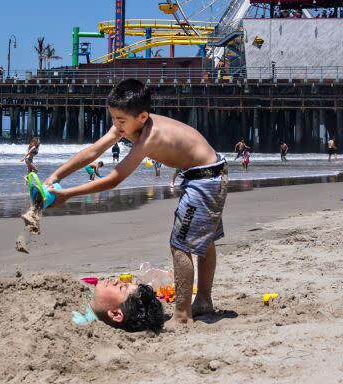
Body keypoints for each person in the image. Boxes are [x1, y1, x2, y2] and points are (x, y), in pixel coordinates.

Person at [44, 79, 227, 327]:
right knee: (203, 241)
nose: (116, 126)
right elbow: (92, 152)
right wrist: (55, 177)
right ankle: (203, 300)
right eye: (113, 118)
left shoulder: (150, 136)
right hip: (207, 173)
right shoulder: (125, 125)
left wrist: (67, 194)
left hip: (205, 179)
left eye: (121, 121)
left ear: (141, 117)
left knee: (180, 244)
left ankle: (183, 314)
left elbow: (115, 178)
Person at [89, 277, 164, 333]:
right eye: (123, 284)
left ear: (115, 314)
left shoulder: (80, 321)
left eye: (121, 288)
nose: (116, 280)